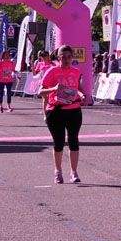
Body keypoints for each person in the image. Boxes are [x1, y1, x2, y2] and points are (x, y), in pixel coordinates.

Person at [36, 45, 87, 184]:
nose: (66, 59)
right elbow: (40, 91)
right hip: (56, 111)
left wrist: (82, 96)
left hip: (74, 110)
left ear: (72, 58)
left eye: (69, 57)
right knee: (58, 143)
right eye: (63, 57)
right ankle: (58, 171)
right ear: (58, 58)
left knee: (73, 141)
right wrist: (54, 88)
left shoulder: (76, 72)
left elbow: (78, 89)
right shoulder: (52, 71)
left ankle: (74, 172)